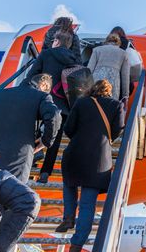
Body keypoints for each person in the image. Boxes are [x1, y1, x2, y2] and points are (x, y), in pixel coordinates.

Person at [56, 80, 125, 252]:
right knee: (88, 204)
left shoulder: (82, 102)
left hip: (76, 152)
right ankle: (77, 244)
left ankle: (69, 216)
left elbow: (69, 128)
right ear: (109, 91)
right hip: (99, 159)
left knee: (69, 183)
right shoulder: (116, 106)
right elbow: (117, 130)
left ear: (93, 89)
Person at [0, 73, 61, 182]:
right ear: (44, 86)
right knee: (12, 193)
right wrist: (45, 141)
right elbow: (54, 115)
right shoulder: (41, 96)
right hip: (18, 158)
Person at [27, 31, 79, 182]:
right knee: (54, 138)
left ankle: (31, 161)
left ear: (56, 41)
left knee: (35, 130)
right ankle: (46, 172)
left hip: (44, 99)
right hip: (64, 105)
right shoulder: (74, 59)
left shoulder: (46, 54)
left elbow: (32, 75)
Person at [87, 33, 130, 101]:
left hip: (97, 81)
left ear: (106, 41)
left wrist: (86, 89)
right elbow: (125, 76)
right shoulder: (124, 54)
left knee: (94, 104)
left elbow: (89, 69)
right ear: (118, 43)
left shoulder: (97, 50)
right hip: (113, 83)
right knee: (110, 106)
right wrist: (125, 95)